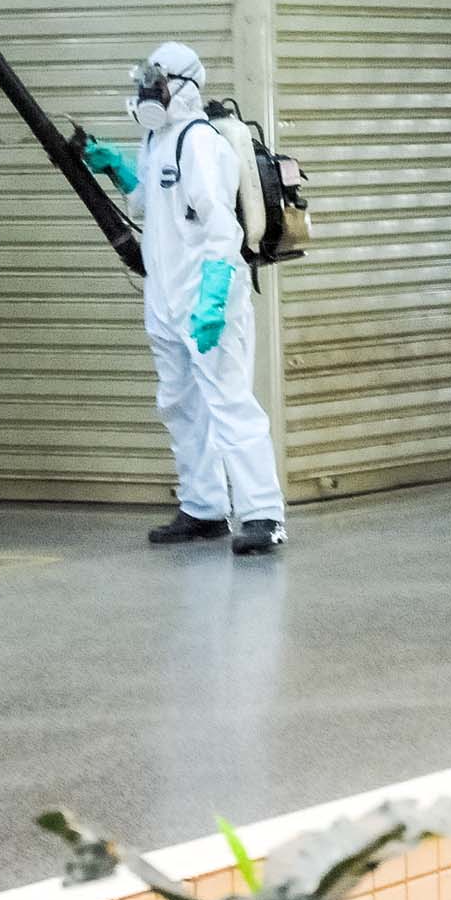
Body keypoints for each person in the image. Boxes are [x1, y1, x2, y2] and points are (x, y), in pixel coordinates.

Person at [80, 42, 287, 556]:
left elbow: (221, 226)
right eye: (144, 81)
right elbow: (149, 203)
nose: (148, 92)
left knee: (229, 402)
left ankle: (263, 512)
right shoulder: (156, 139)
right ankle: (203, 507)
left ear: (185, 86)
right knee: (179, 405)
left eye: (158, 81)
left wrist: (214, 298)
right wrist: (118, 167)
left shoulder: (201, 142)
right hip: (165, 297)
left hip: (205, 295)